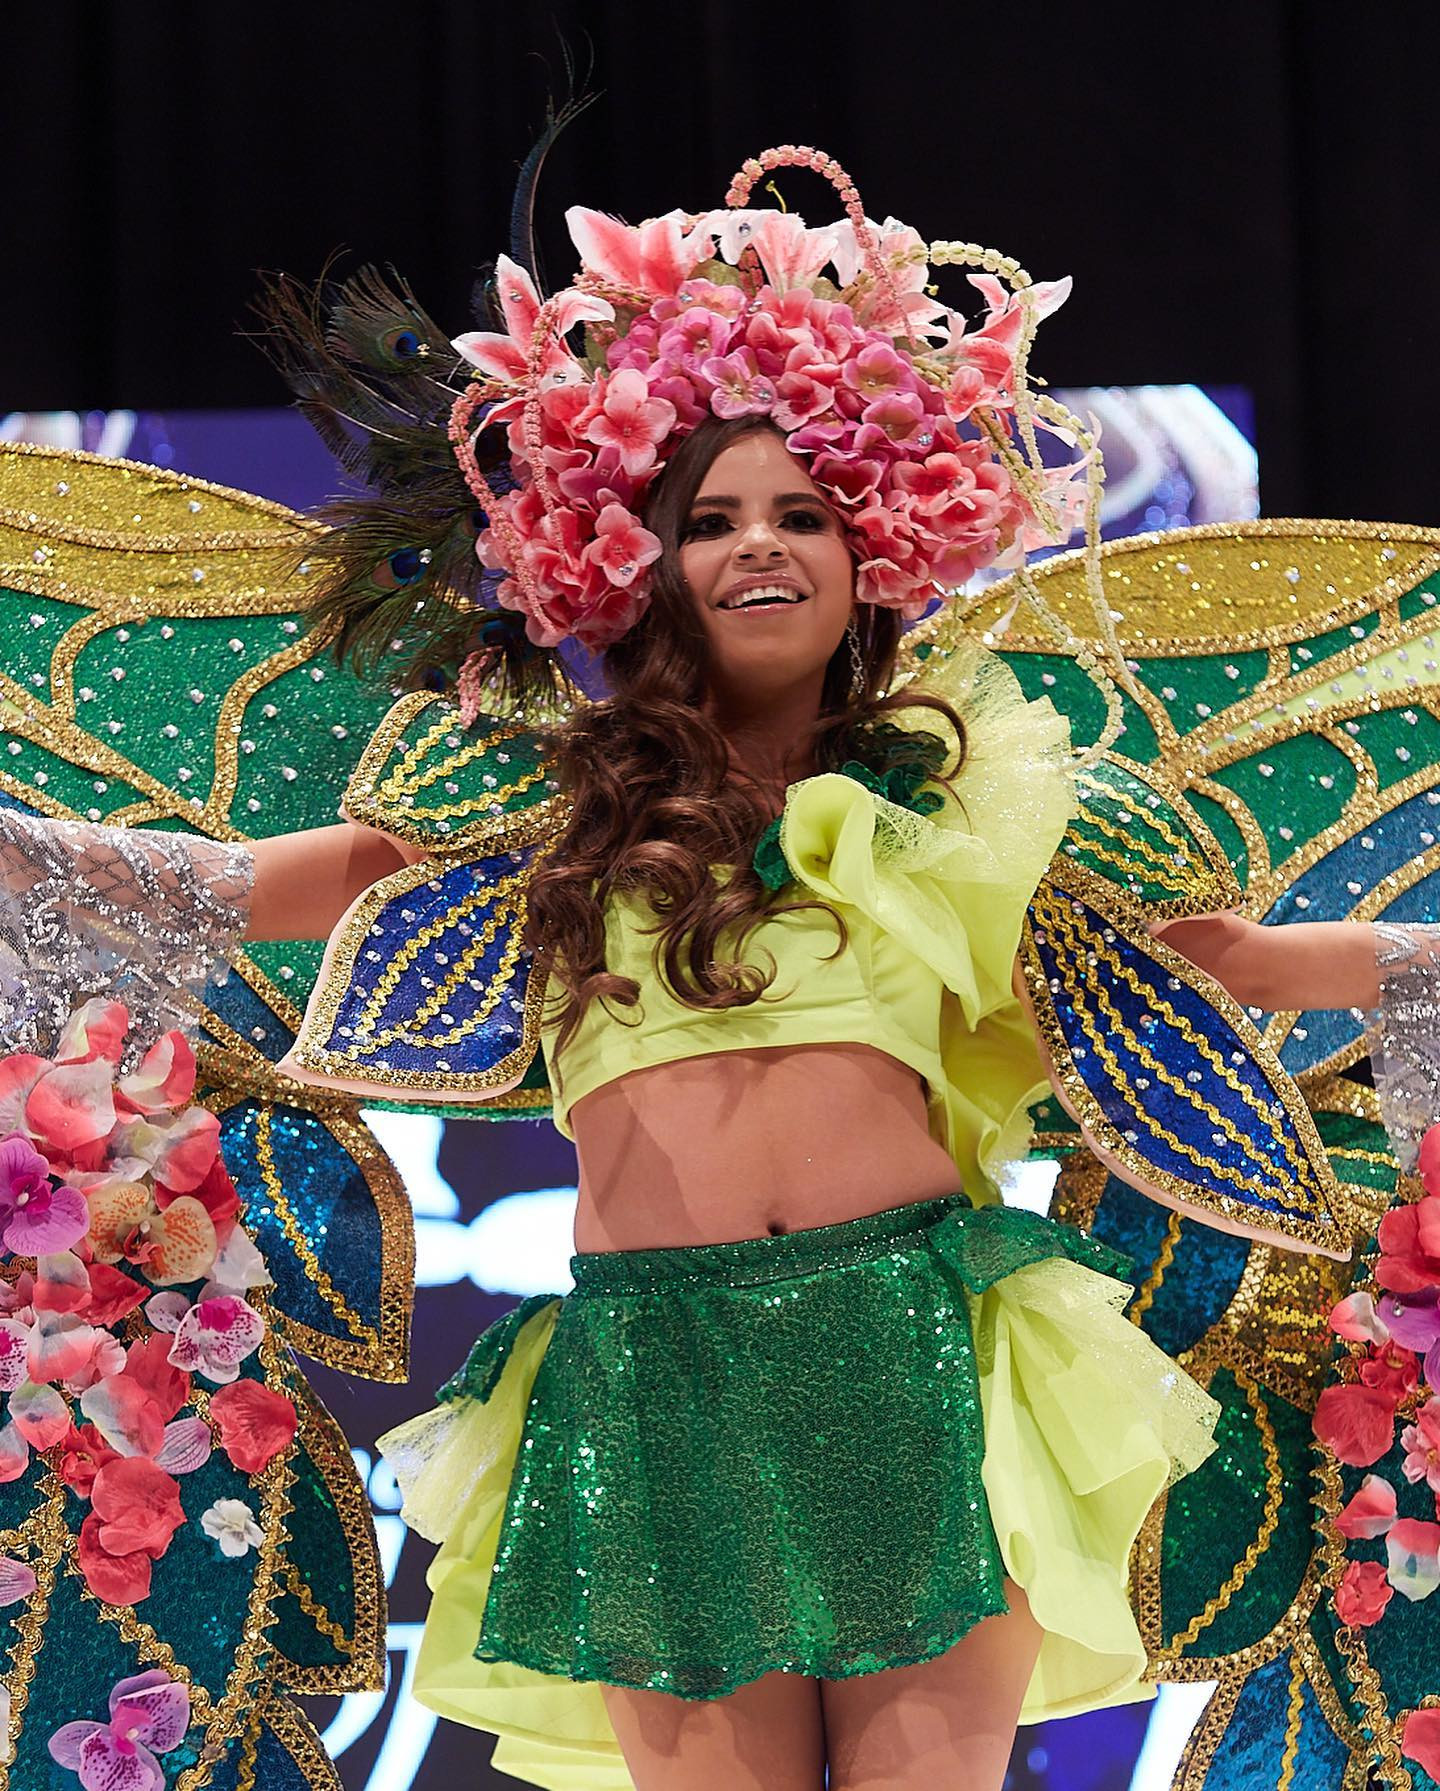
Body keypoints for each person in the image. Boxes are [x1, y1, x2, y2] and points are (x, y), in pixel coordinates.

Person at [1, 142, 1421, 1791]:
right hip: (650, 1375)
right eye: (713, 519)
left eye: (803, 513)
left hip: (912, 1346)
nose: (762, 545)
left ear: (871, 544)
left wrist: (1417, 972)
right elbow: (246, 888)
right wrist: (35, 858)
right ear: (635, 561)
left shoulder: (967, 789)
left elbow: (1237, 956)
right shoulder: (538, 788)